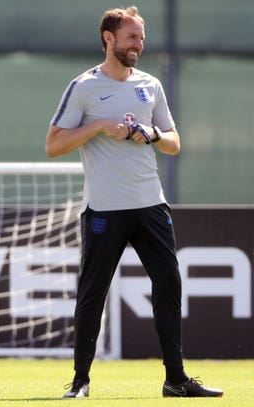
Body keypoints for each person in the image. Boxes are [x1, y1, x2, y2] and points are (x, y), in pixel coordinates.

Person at [45, 6, 223, 399]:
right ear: (109, 38)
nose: (138, 45)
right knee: (93, 294)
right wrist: (98, 127)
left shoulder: (151, 85)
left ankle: (175, 380)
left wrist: (154, 134)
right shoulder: (84, 86)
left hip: (151, 205)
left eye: (141, 38)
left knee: (169, 286)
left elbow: (175, 143)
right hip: (104, 209)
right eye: (131, 38)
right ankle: (80, 382)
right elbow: (53, 144)